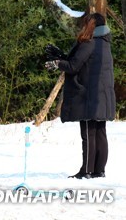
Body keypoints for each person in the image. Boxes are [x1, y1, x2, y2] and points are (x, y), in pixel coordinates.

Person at [45, 12, 116, 179]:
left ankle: (87, 171)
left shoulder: (89, 43)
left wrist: (57, 63)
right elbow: (82, 62)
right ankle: (99, 171)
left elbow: (74, 66)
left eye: (86, 23)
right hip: (102, 96)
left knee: (88, 133)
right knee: (99, 132)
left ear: (91, 25)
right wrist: (63, 56)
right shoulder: (104, 44)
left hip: (88, 96)